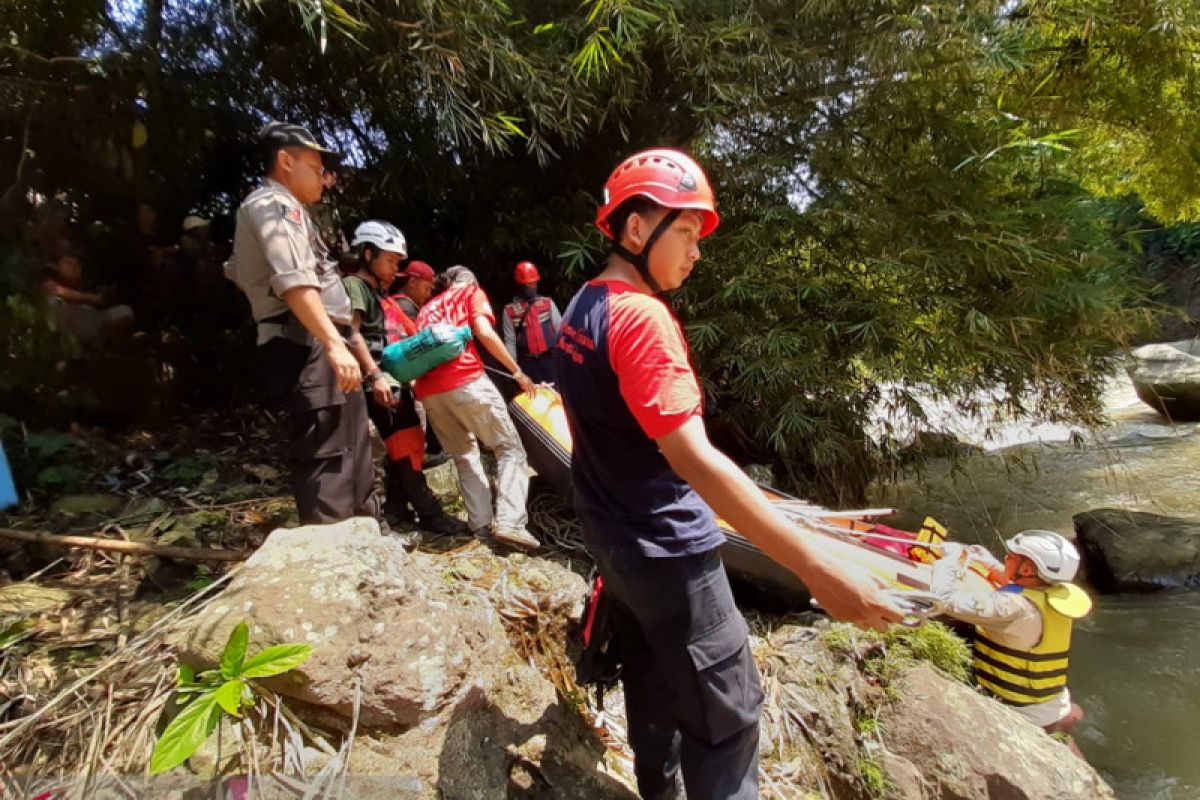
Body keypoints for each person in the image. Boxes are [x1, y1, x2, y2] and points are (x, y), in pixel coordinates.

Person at [555, 148, 903, 800]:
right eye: (684, 232)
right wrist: (817, 568)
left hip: (614, 545)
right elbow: (693, 457)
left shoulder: (582, 306)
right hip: (671, 556)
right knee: (728, 724)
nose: (696, 251)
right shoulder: (641, 319)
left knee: (653, 688)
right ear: (637, 230)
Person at [224, 120, 380, 525]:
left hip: (324, 339)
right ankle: (331, 555)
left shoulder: (291, 212)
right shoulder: (273, 207)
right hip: (308, 341)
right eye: (316, 166)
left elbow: (239, 274)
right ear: (285, 161)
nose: (325, 179)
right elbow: (294, 282)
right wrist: (329, 341)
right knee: (326, 452)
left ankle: (366, 543)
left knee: (353, 447)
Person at [344, 220, 464, 535]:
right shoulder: (356, 286)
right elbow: (352, 334)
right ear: (368, 254)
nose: (395, 268)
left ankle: (401, 512)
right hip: (378, 383)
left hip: (389, 380)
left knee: (406, 446)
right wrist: (375, 376)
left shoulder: (378, 293)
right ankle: (425, 515)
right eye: (391, 260)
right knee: (401, 446)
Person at [931, 530, 1092, 758]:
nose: (1007, 557)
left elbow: (942, 600)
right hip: (1052, 706)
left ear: (1026, 569)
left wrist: (947, 562)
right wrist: (990, 564)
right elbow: (1023, 588)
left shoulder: (1015, 609)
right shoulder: (1055, 594)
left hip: (1024, 715)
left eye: (1012, 556)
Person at [413, 266, 540, 550]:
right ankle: (510, 522)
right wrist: (516, 371)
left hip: (430, 392)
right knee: (509, 448)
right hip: (466, 381)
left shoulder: (427, 308)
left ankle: (480, 526)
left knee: (464, 455)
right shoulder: (470, 292)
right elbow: (483, 330)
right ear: (470, 280)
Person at [42, 251, 135, 352]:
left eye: (77, 264)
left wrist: (106, 297)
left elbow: (105, 302)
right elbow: (57, 291)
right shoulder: (50, 285)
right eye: (68, 263)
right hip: (69, 334)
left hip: (94, 326)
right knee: (55, 304)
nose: (73, 267)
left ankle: (103, 345)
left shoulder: (85, 285)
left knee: (124, 311)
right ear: (57, 267)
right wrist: (94, 298)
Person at [501, 261, 561, 386]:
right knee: (534, 401)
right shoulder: (510, 311)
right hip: (527, 364)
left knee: (557, 397)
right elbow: (510, 341)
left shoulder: (547, 303)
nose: (533, 286)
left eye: (535, 283)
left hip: (551, 360)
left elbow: (560, 330)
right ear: (520, 285)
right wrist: (515, 370)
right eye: (529, 284)